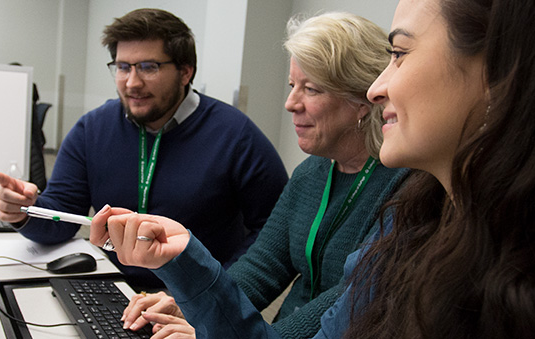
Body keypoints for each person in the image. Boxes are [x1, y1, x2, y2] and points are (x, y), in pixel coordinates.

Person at [92, 0, 535, 338]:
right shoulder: (412, 236)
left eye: (399, 54)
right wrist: (188, 263)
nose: (380, 87)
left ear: (504, 73)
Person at [118, 12, 408, 338]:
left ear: (363, 98)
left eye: (310, 89)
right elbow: (263, 266)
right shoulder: (311, 172)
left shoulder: (404, 185)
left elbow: (347, 301)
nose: (290, 103)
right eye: (292, 85)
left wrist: (216, 330)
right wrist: (191, 306)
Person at [0, 8, 288, 290]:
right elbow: (61, 218)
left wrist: (221, 293)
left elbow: (275, 232)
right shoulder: (93, 129)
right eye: (122, 67)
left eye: (148, 67)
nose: (132, 82)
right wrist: (21, 212)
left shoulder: (235, 136)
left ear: (185, 72)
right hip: (112, 285)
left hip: (196, 298)